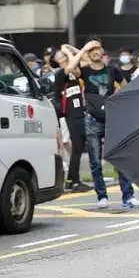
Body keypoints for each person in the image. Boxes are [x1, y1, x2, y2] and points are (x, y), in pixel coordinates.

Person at [63, 39, 139, 209]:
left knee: (120, 157)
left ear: (102, 52)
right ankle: (102, 196)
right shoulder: (85, 71)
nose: (95, 52)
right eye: (91, 50)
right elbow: (70, 68)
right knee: (95, 161)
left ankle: (128, 196)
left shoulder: (112, 70)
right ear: (88, 53)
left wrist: (119, 103)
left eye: (97, 49)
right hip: (92, 119)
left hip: (112, 117)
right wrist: (84, 49)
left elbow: (126, 88)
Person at [53, 49, 91, 192]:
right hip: (70, 114)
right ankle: (72, 181)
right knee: (76, 146)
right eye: (61, 55)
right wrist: (73, 52)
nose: (64, 55)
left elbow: (85, 61)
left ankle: (73, 179)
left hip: (80, 112)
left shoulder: (75, 73)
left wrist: (70, 48)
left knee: (79, 147)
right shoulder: (60, 73)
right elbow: (71, 64)